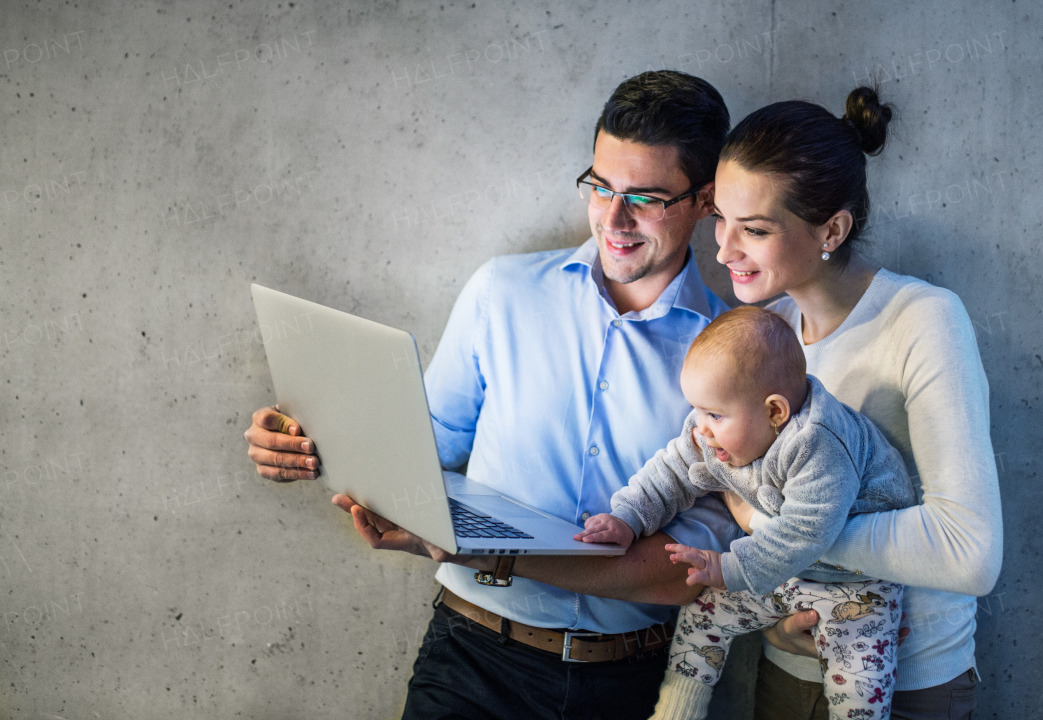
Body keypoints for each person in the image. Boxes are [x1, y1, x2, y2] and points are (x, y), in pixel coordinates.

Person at [243, 70, 757, 720]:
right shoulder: (502, 293)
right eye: (599, 187)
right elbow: (420, 455)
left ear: (706, 200)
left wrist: (491, 552)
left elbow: (685, 571)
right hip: (470, 663)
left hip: (633, 686)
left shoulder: (738, 356)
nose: (614, 219)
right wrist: (306, 439)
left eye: (646, 197)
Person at [710, 89, 1003, 719]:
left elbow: (968, 551)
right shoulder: (766, 334)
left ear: (832, 229)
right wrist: (774, 622)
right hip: (787, 671)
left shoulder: (922, 320)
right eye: (720, 219)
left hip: (907, 683)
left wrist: (769, 532)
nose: (723, 250)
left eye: (755, 229)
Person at [576, 306, 916, 720]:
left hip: (857, 587)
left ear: (775, 412)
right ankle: (677, 710)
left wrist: (727, 568)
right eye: (698, 411)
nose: (701, 428)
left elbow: (806, 531)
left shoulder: (818, 443)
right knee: (702, 614)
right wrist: (628, 518)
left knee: (861, 693)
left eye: (715, 415)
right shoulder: (714, 435)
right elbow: (671, 471)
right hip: (779, 573)